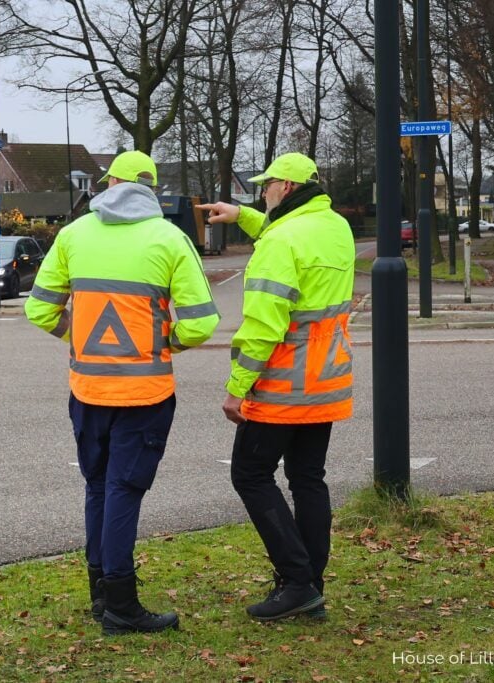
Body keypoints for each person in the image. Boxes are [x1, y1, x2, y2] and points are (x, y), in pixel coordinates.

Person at [25, 150, 220, 635]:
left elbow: (39, 310)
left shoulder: (72, 235)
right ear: (151, 189)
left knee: (97, 486)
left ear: (110, 183)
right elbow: (200, 325)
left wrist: (77, 337)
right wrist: (165, 341)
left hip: (87, 391)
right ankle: (121, 603)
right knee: (124, 490)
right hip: (144, 393)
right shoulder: (169, 239)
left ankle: (99, 592)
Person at [197, 152, 355, 622]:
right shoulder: (335, 228)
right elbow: (286, 233)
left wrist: (236, 388)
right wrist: (242, 214)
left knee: (249, 474)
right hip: (326, 379)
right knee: (308, 477)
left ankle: (297, 581)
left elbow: (264, 326)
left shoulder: (280, 241)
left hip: (282, 384)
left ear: (284, 186)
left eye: (266, 185)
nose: (262, 190)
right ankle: (311, 583)